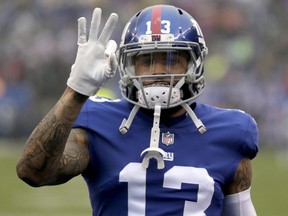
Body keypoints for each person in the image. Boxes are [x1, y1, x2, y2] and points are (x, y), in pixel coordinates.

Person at [16, 4, 259, 216]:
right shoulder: (98, 120)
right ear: (128, 66)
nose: (157, 71)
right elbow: (33, 172)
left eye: (172, 59)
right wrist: (75, 91)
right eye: (146, 60)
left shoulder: (231, 132)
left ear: (193, 63)